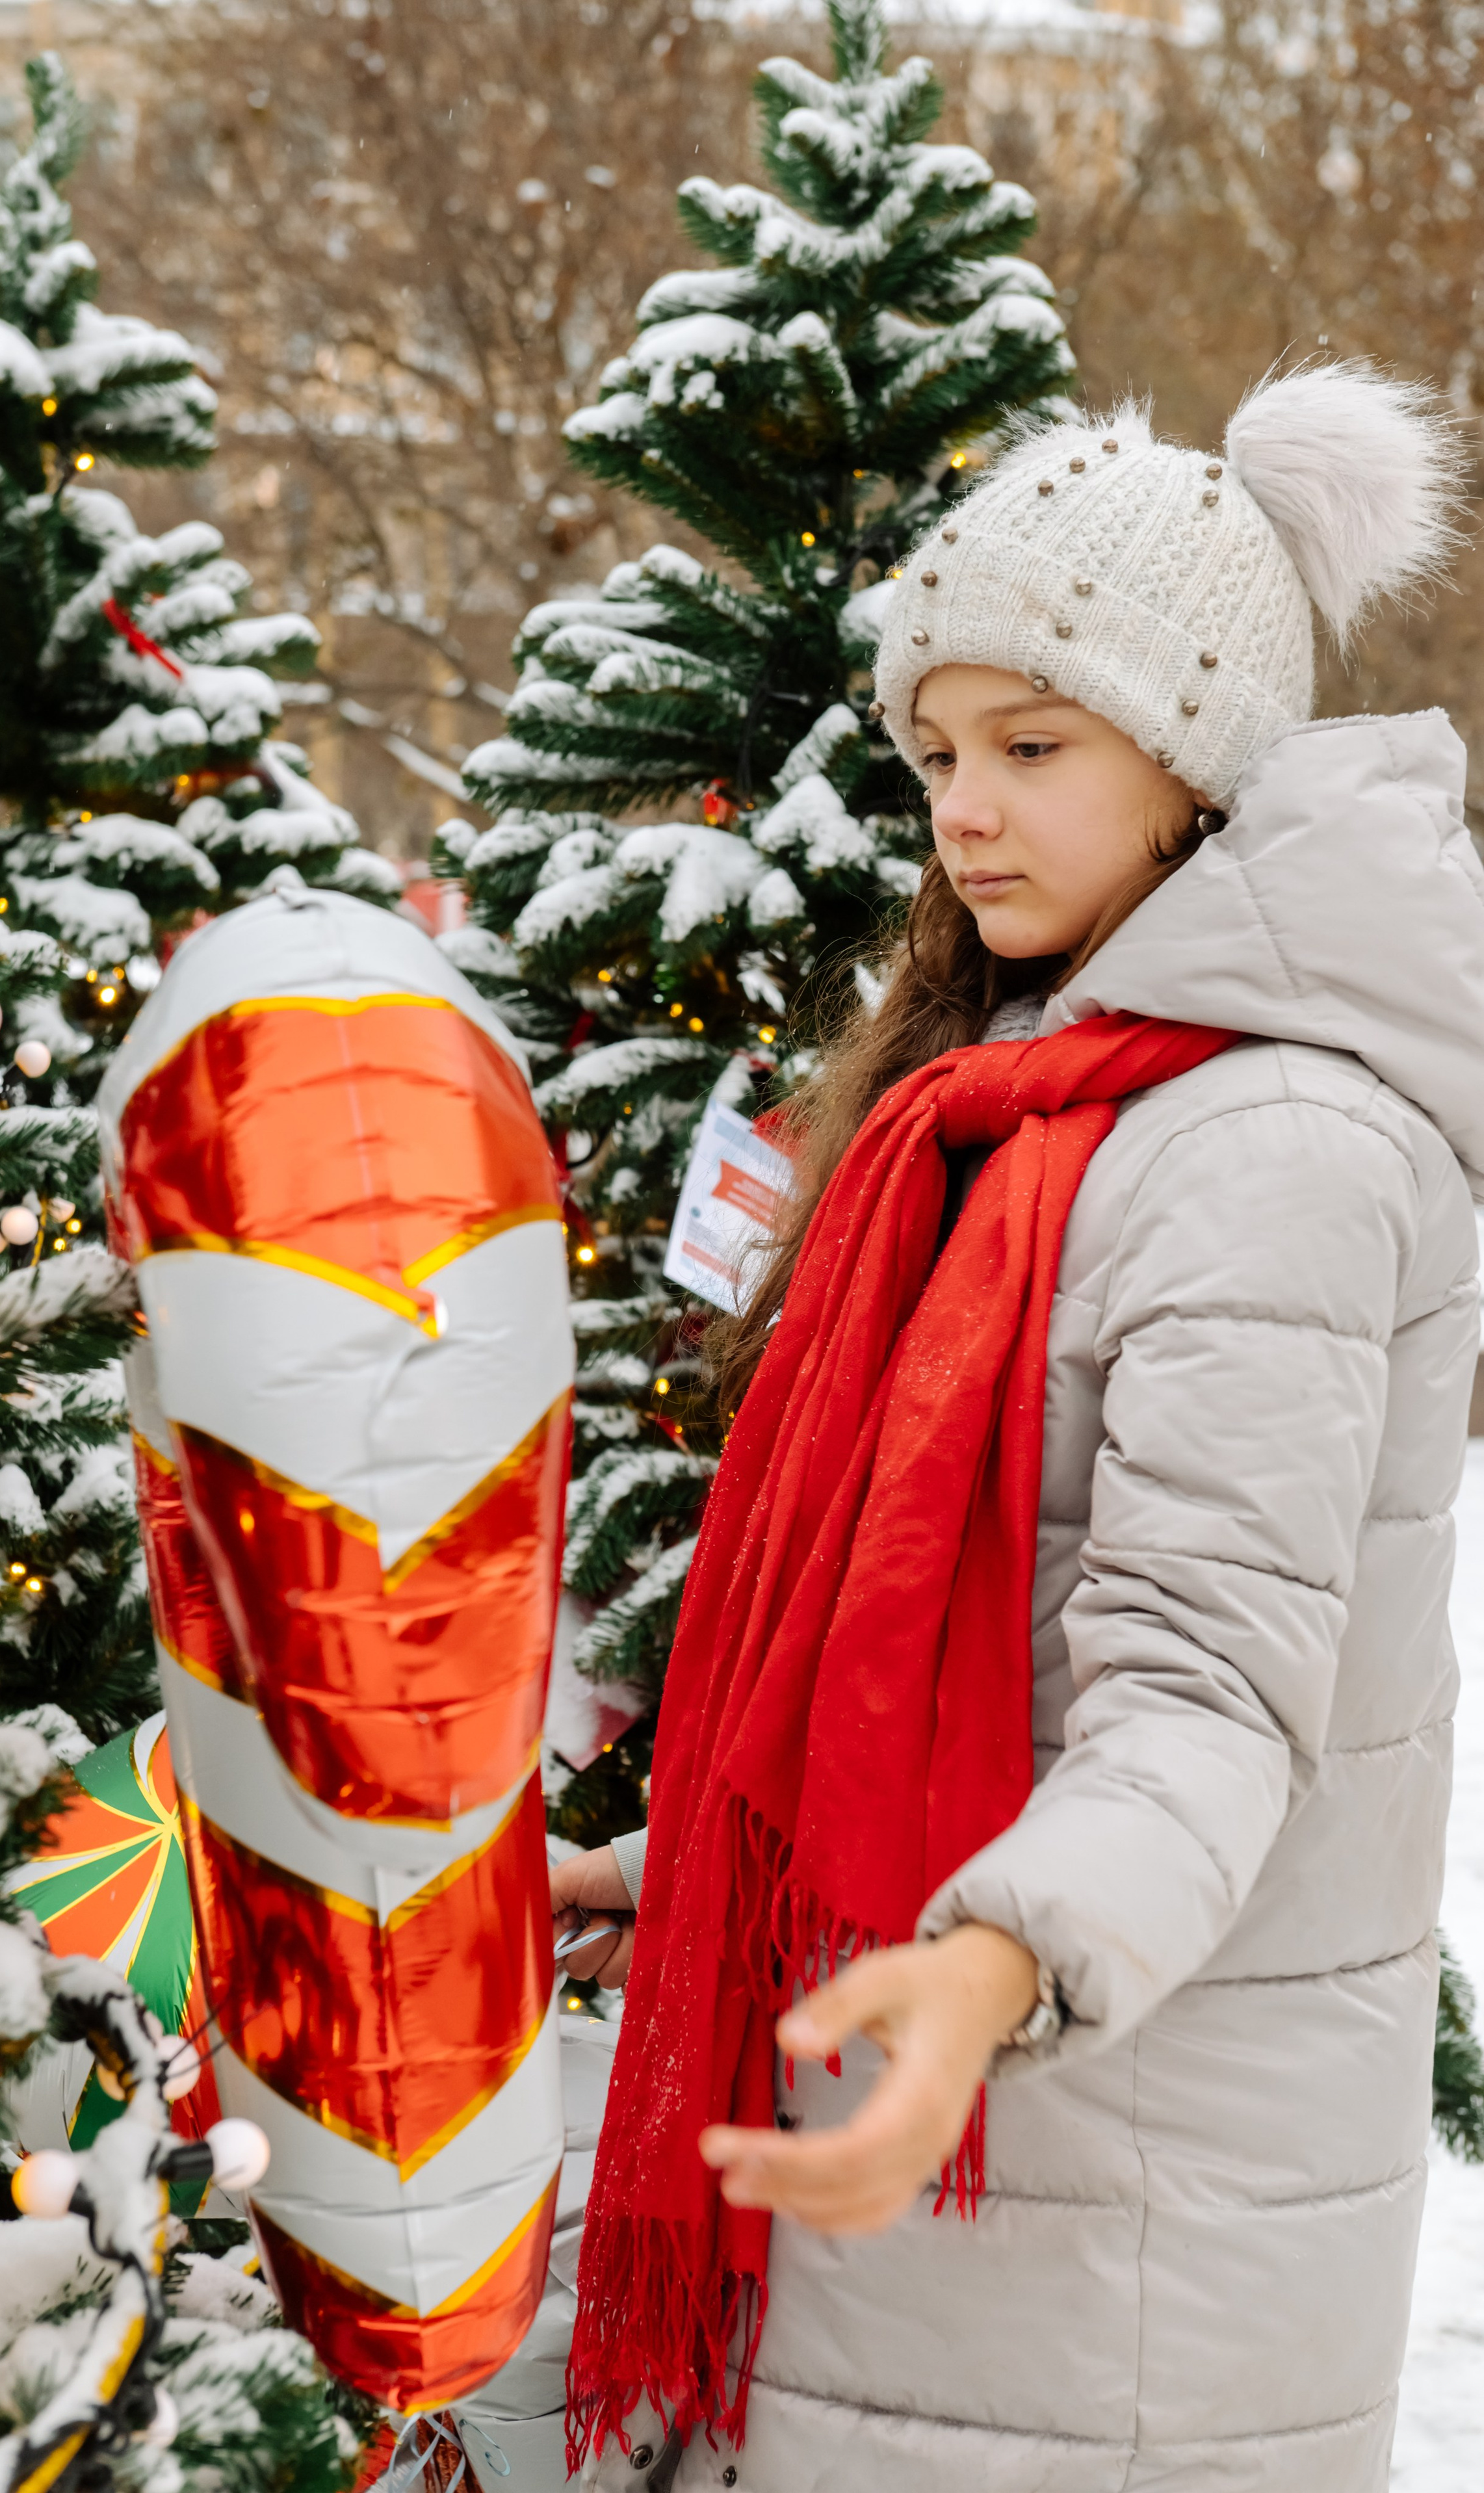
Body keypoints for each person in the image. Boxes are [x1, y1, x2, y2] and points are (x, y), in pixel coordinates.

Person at [550, 364, 1484, 2493]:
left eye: (1034, 747)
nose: (965, 810)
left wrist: (983, 1965)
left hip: (1121, 2207)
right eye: (940, 753)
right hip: (975, 2163)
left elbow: (1212, 1689)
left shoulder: (1274, 1144)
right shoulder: (1024, 1102)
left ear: (1196, 762)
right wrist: (698, 1865)